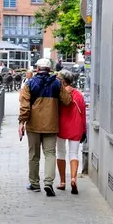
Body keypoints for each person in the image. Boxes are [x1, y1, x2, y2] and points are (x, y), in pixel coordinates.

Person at [18, 57, 72, 196]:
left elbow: (24, 106)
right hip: (51, 124)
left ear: (37, 69)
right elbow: (67, 101)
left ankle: (35, 183)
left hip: (33, 125)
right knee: (50, 154)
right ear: (49, 70)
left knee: (34, 155)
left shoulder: (29, 84)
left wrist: (21, 122)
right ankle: (48, 183)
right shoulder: (57, 84)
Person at [56, 68, 86, 194]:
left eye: (59, 79)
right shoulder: (78, 95)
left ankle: (62, 182)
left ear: (63, 81)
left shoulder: (59, 94)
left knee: (60, 152)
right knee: (74, 153)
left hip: (62, 126)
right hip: (76, 126)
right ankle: (73, 178)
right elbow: (83, 113)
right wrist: (84, 130)